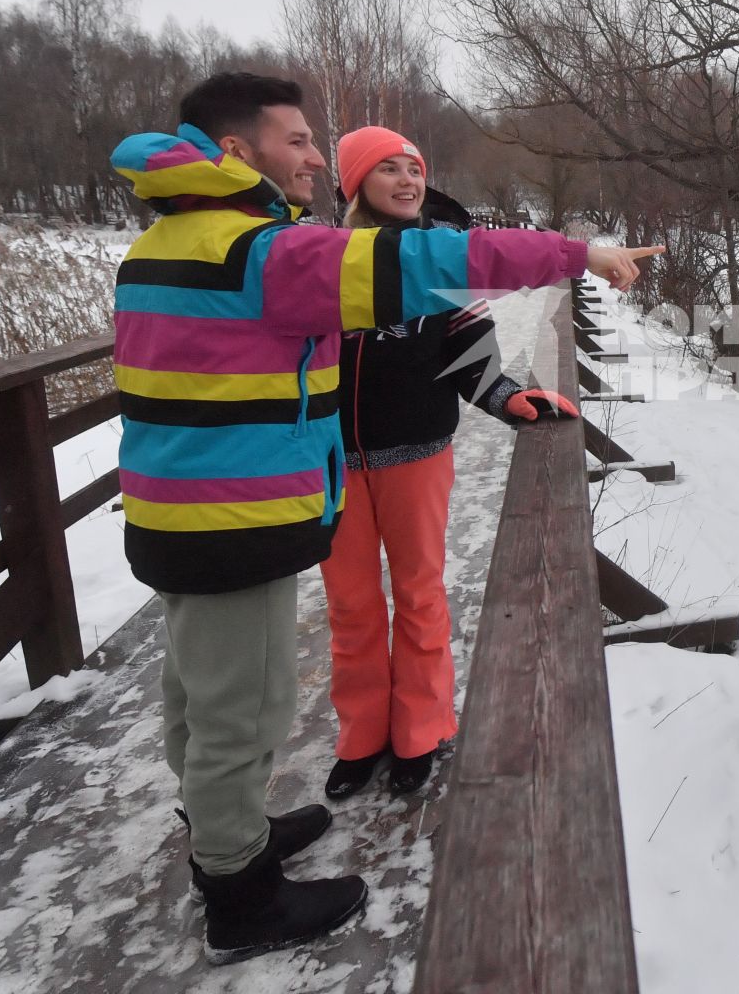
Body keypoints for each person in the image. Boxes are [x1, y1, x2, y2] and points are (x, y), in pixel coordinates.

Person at [110, 73, 659, 964]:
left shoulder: (159, 246)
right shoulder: (262, 253)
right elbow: (438, 261)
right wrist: (576, 252)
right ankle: (239, 891)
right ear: (238, 153)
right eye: (296, 139)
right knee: (240, 710)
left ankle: (245, 826)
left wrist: (504, 393)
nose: (313, 154)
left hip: (180, 515)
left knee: (198, 696)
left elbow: (447, 329)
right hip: (232, 521)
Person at [317, 126, 577, 800]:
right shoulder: (319, 259)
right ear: (354, 184)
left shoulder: (439, 265)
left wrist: (511, 396)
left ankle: (421, 728)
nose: (408, 180)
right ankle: (361, 734)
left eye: (415, 168)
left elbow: (471, 359)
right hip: (329, 462)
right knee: (349, 605)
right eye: (388, 169)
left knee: (419, 593)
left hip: (416, 455)